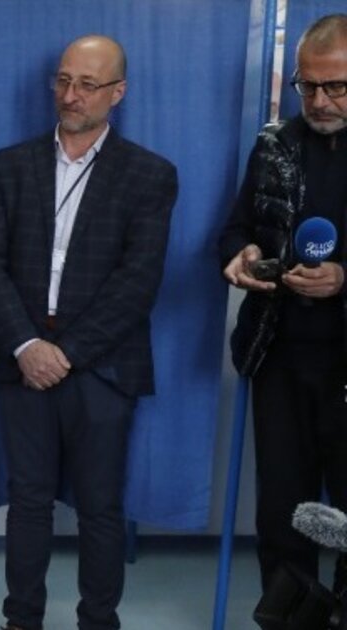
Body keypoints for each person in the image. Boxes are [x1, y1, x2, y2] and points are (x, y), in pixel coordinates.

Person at [0, 35, 178, 630]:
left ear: (118, 92)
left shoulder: (149, 175)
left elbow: (138, 282)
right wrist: (27, 346)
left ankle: (98, 621)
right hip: (20, 359)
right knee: (28, 501)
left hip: (103, 366)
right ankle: (21, 620)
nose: (70, 94)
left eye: (87, 84)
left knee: (101, 508)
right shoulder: (9, 166)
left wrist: (65, 353)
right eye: (63, 80)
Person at [220, 13, 347, 594]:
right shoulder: (274, 144)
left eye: (335, 86)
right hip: (279, 354)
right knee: (282, 511)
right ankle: (289, 616)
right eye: (307, 85)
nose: (318, 101)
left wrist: (344, 278)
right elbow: (236, 229)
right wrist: (241, 254)